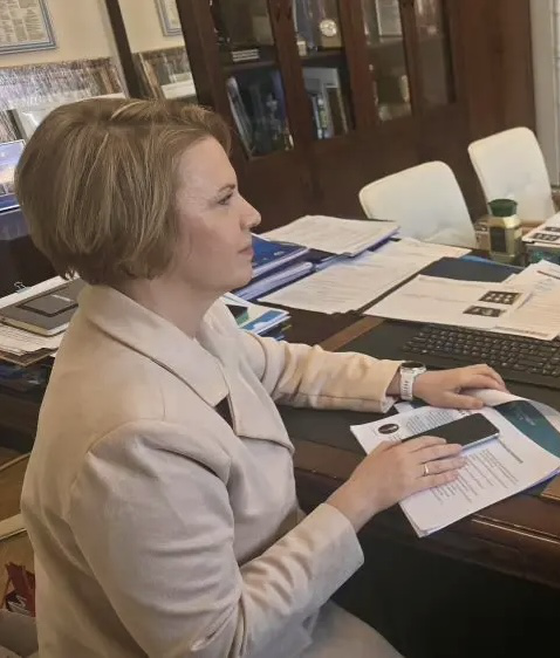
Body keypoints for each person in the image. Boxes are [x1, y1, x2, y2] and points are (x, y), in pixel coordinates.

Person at [16, 98, 509, 657]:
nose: (252, 214)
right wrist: (361, 496)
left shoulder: (178, 314)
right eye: (224, 199)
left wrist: (408, 380)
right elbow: (219, 644)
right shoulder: (132, 438)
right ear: (140, 233)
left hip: (277, 596)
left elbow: (276, 364)